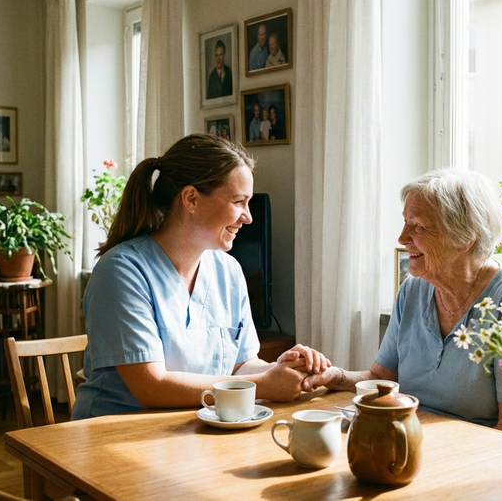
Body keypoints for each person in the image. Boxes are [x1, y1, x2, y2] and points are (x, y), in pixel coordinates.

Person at [72, 134, 331, 419]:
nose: (248, 217)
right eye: (238, 202)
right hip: (114, 436)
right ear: (191, 199)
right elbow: (150, 386)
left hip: (192, 432)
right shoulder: (121, 271)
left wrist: (283, 370)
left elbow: (240, 366)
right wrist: (263, 386)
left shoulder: (227, 271)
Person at [302, 170, 502, 436]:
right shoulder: (413, 289)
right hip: (407, 439)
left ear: (466, 237)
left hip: (471, 456)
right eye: (405, 222)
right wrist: (334, 377)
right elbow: (384, 379)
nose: (402, 238)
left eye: (419, 226)